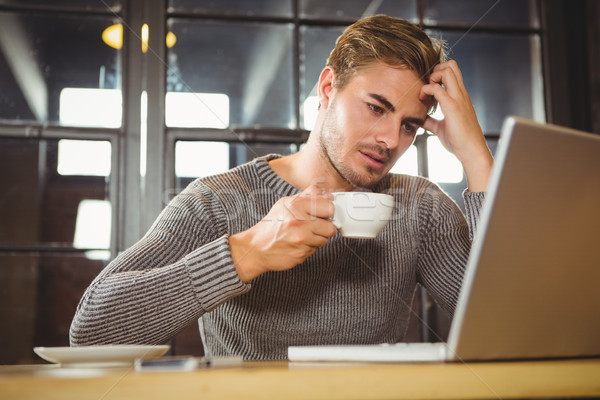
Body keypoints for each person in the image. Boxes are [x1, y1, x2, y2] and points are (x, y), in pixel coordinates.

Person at [70, 15, 493, 360]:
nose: (389, 139)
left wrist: (477, 158)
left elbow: (508, 327)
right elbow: (91, 333)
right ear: (328, 88)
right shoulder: (218, 202)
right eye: (375, 108)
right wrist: (246, 253)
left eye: (409, 126)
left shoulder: (421, 206)